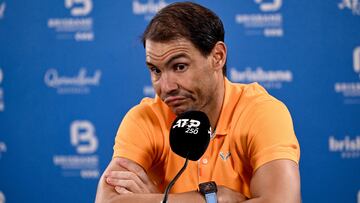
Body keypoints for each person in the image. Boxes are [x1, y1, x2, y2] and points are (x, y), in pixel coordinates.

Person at [95, 2, 301, 203]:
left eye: (179, 67)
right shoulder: (145, 117)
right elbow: (107, 201)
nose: (166, 87)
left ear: (217, 57)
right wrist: (212, 199)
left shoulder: (261, 111)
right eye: (155, 70)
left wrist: (157, 200)